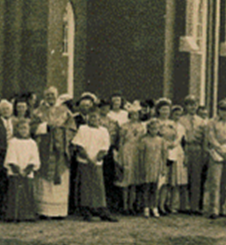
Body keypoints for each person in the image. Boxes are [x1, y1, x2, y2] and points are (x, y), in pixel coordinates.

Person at [72, 93, 116, 222]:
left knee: (98, 186)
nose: (94, 119)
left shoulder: (103, 131)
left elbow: (105, 147)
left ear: (99, 118)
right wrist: (88, 158)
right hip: (84, 161)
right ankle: (86, 209)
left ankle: (101, 209)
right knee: (85, 185)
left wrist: (97, 158)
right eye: (91, 117)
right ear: (88, 118)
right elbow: (79, 146)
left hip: (97, 162)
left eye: (96, 117)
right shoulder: (83, 128)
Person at [32, 86, 75, 219]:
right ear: (44, 96)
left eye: (52, 95)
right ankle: (44, 211)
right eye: (48, 95)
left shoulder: (65, 111)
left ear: (57, 96)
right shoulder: (38, 111)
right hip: (43, 148)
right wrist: (46, 127)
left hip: (60, 150)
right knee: (43, 181)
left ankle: (59, 211)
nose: (50, 97)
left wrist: (61, 134)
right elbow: (31, 127)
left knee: (60, 179)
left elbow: (72, 128)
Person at [204, 98, 226, 219]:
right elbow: (211, 138)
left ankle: (224, 208)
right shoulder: (212, 123)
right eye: (224, 110)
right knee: (215, 182)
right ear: (219, 110)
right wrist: (219, 148)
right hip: (216, 153)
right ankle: (214, 209)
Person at [3, 118, 40, 222]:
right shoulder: (13, 142)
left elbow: (35, 158)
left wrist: (28, 169)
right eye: (21, 128)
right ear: (17, 129)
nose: (23, 131)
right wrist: (17, 169)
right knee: (15, 193)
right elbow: (11, 157)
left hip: (27, 171)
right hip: (16, 171)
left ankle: (28, 215)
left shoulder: (32, 143)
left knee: (28, 192)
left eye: (26, 128)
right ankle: (14, 215)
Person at [154, 99, 186, 215]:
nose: (165, 112)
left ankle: (164, 205)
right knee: (159, 179)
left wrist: (174, 144)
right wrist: (164, 144)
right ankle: (155, 205)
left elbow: (178, 137)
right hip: (158, 151)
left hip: (172, 152)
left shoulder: (173, 124)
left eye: (167, 109)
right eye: (163, 109)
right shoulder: (155, 122)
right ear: (158, 110)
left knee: (168, 181)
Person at [115, 102, 145, 215]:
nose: (134, 116)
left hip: (137, 151)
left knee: (134, 181)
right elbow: (121, 141)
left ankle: (132, 205)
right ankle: (125, 206)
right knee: (126, 180)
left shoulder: (141, 126)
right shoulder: (124, 126)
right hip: (127, 150)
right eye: (132, 114)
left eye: (136, 114)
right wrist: (121, 155)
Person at [179, 96, 208, 214]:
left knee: (196, 177)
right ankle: (182, 205)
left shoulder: (202, 121)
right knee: (183, 177)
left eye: (194, 105)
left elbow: (205, 138)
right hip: (184, 147)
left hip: (197, 148)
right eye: (190, 105)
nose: (192, 107)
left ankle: (195, 206)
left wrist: (204, 152)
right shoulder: (181, 120)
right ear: (186, 106)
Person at [137, 118, 168, 218]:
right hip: (147, 165)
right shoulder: (144, 140)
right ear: (148, 129)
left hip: (157, 165)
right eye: (152, 128)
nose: (154, 130)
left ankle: (154, 207)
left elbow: (164, 154)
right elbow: (141, 155)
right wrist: (141, 167)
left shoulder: (161, 140)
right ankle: (146, 207)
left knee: (155, 188)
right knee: (146, 187)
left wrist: (163, 167)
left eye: (156, 128)